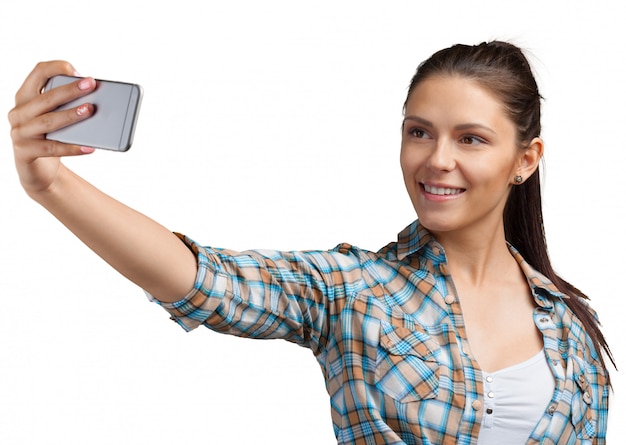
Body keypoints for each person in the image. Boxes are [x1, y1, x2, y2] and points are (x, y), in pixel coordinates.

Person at [9, 41, 613, 444]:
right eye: (419, 132)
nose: (437, 160)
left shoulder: (570, 326)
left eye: (472, 139)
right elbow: (203, 279)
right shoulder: (355, 292)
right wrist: (52, 184)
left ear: (524, 159)